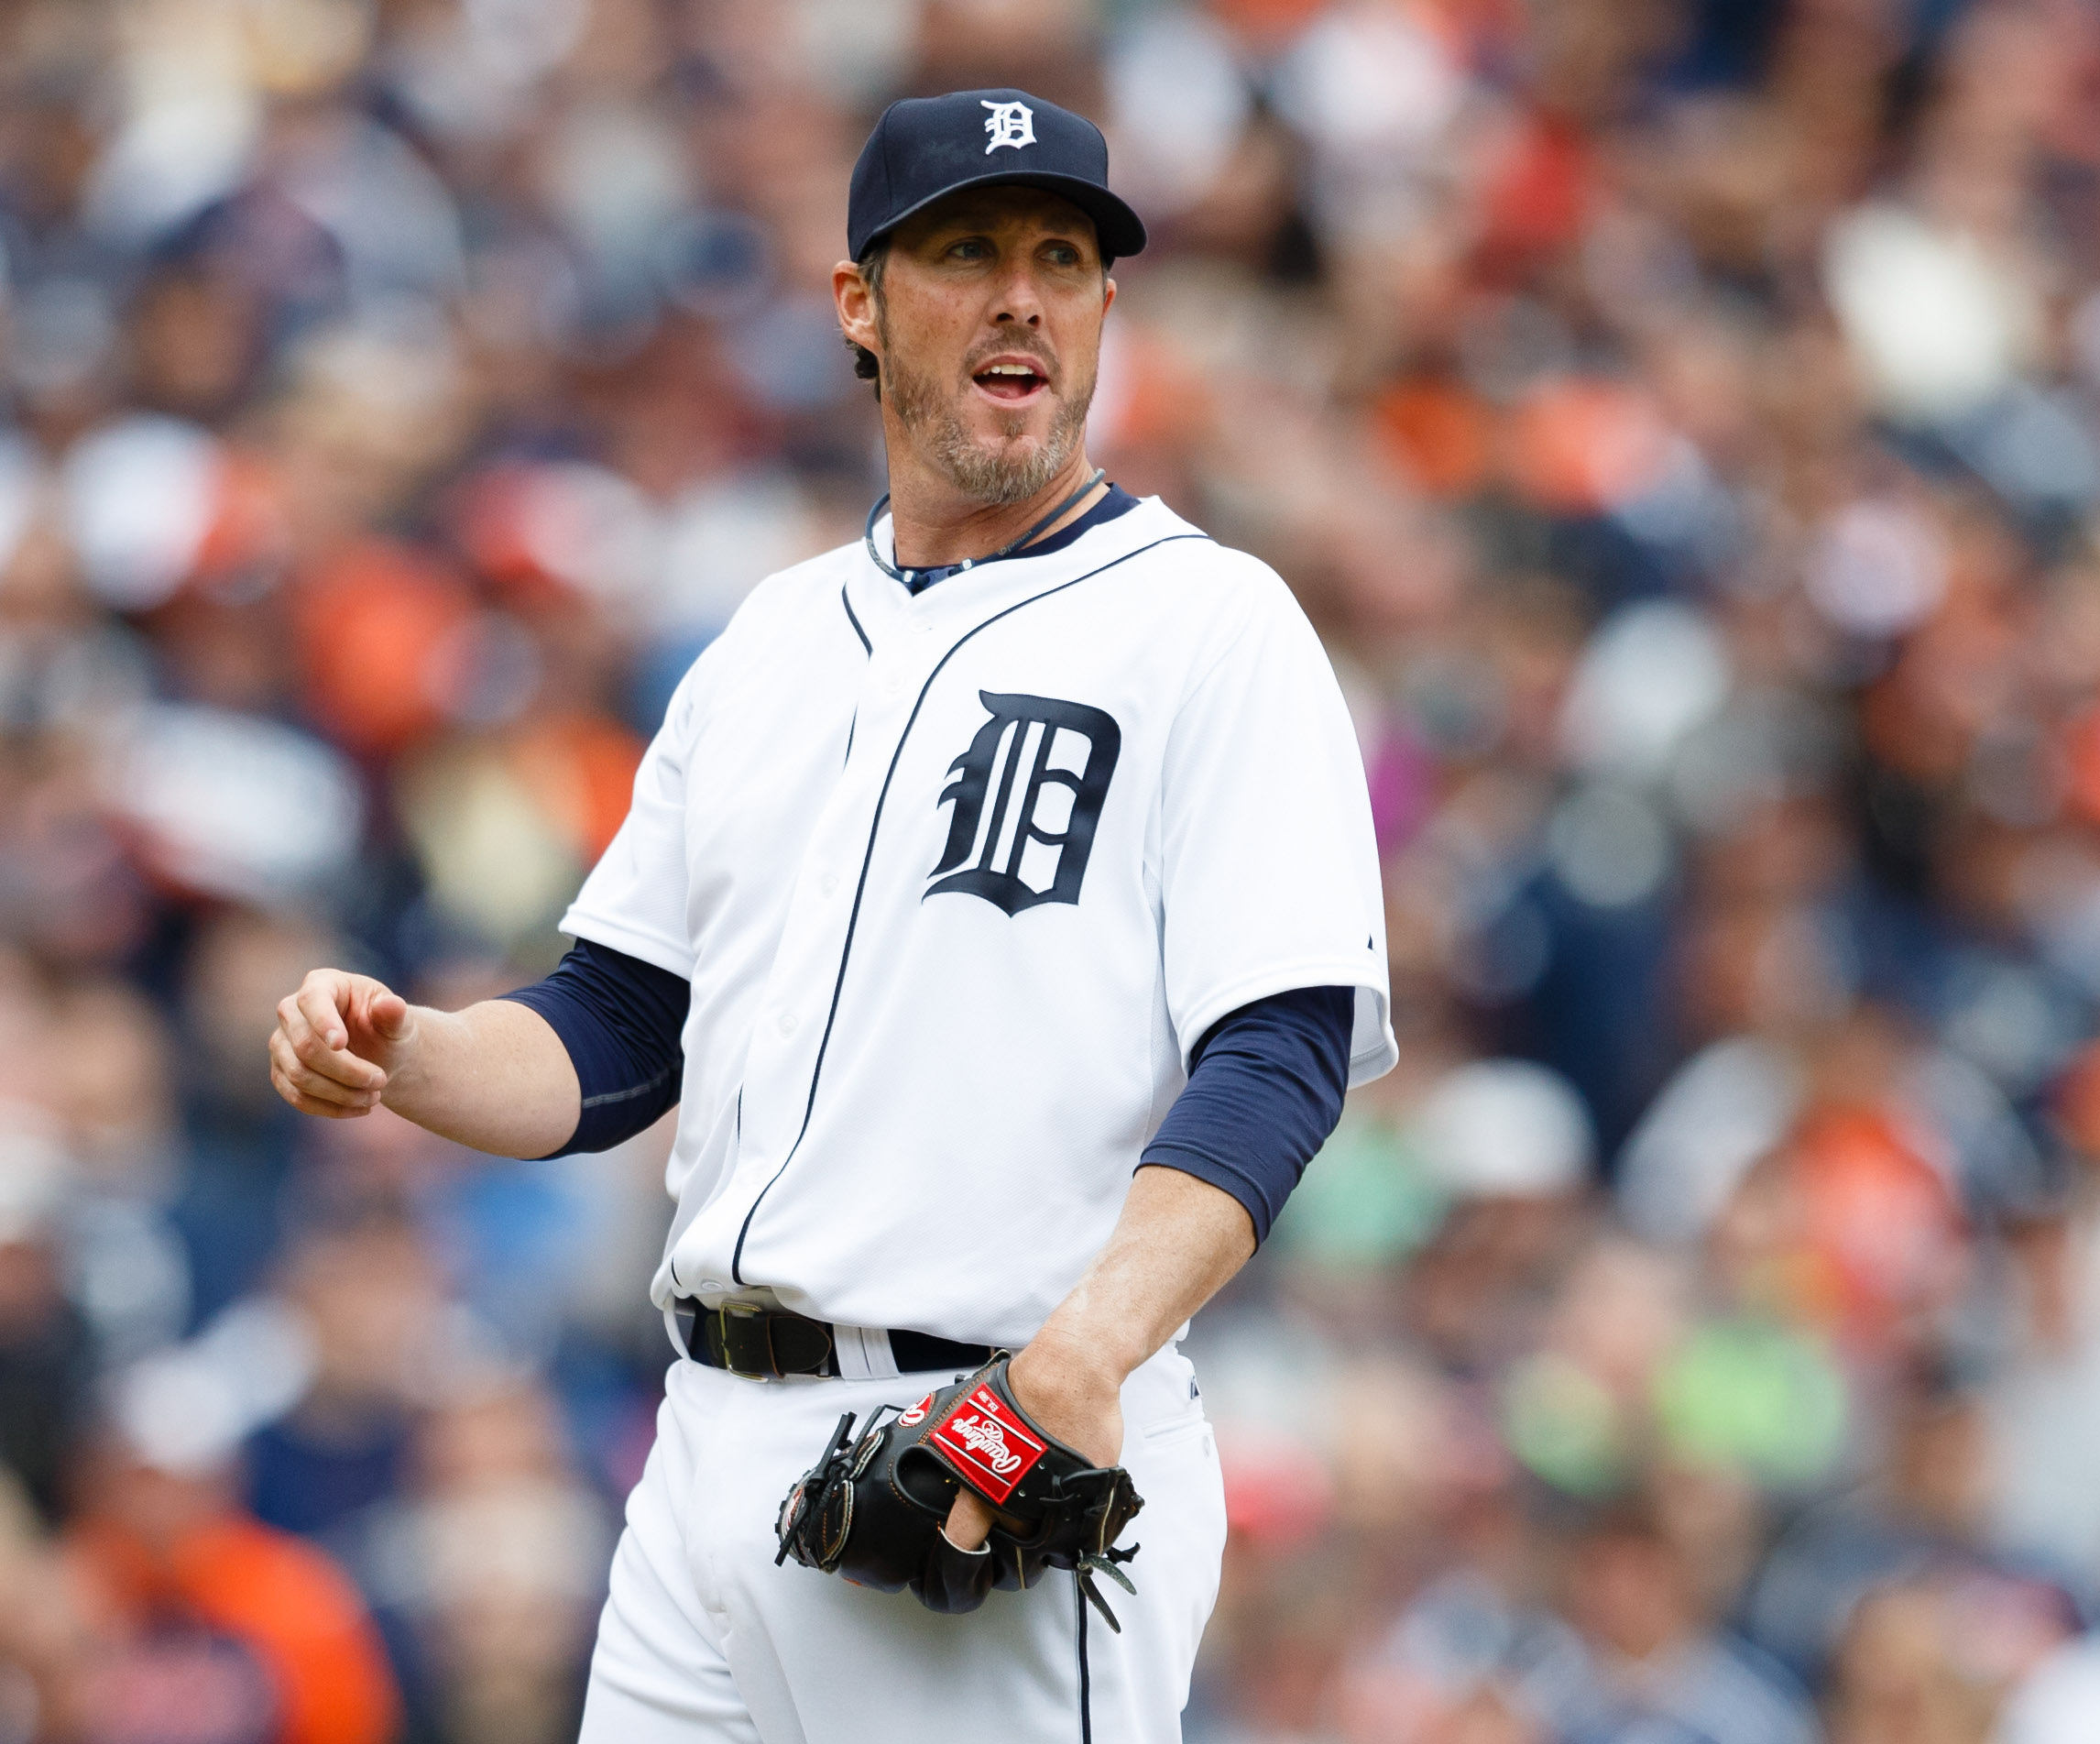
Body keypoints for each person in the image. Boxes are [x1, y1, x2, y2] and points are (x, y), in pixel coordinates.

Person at [265, 88, 1394, 1743]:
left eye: (1062, 258)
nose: (1022, 294)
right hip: (704, 1453)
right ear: (859, 305)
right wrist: (410, 1054)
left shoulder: (1210, 625)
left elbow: (1282, 1043)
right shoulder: (768, 646)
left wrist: (1079, 1365)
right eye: (965, 251)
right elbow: (619, 1027)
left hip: (985, 1439)